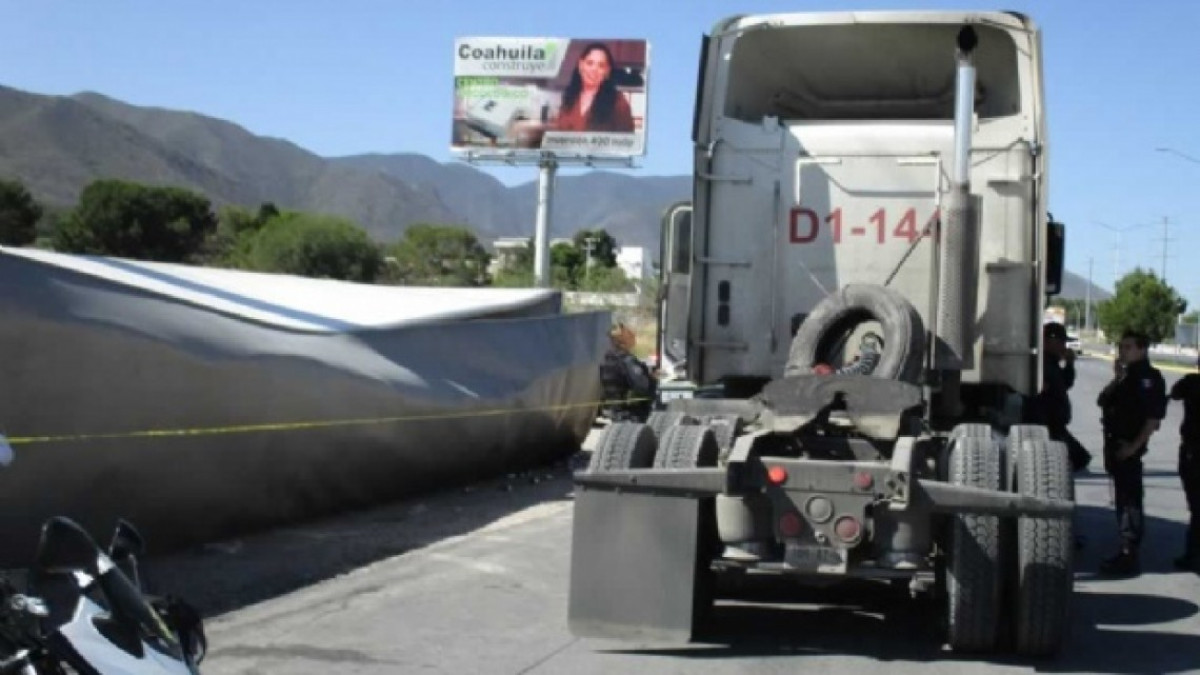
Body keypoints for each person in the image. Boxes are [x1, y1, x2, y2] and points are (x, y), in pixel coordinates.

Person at [1097, 330, 1167, 576]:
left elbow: (1152, 420)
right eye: (1121, 347)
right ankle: (1126, 547)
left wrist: (1133, 447)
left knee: (1129, 501)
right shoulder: (1126, 376)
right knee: (1122, 498)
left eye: (1128, 347)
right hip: (1115, 445)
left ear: (1142, 349)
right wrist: (1117, 378)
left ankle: (1129, 553)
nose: (1122, 351)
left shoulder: (1148, 378)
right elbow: (1103, 400)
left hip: (1128, 447)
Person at [1030, 322, 1092, 472]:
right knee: (1075, 460)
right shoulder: (1041, 364)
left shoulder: (1052, 362)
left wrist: (1069, 364)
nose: (1064, 346)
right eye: (1061, 342)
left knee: (1080, 458)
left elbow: (1065, 383)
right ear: (1049, 341)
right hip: (1046, 427)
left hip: (1056, 426)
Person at [555, 43, 635, 133]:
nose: (594, 69)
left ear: (607, 71)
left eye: (601, 65)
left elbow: (627, 139)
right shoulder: (569, 96)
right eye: (589, 63)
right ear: (580, 65)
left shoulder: (618, 103)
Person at [1169, 355, 1200, 572]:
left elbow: (1174, 393)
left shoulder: (1191, 382)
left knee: (1197, 508)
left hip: (1193, 453)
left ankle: (1193, 556)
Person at [599, 323, 656, 422]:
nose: (634, 339)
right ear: (625, 340)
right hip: (631, 414)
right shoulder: (627, 361)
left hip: (615, 412)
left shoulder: (607, 360)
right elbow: (642, 387)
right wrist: (653, 378)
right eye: (631, 336)